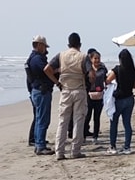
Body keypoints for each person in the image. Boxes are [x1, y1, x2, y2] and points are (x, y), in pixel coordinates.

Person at [45, 32, 90, 160]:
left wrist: (57, 82)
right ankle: (75, 151)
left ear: (68, 44)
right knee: (78, 121)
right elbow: (91, 74)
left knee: (63, 121)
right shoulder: (83, 56)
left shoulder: (61, 55)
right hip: (79, 89)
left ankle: (59, 152)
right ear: (79, 44)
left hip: (65, 90)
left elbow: (47, 69)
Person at [105, 48, 135, 155]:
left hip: (118, 99)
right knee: (127, 123)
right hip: (129, 98)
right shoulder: (134, 71)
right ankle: (127, 147)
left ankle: (112, 146)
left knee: (114, 122)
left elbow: (107, 81)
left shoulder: (117, 69)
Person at [27, 35, 55, 155]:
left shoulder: (33, 58)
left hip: (37, 90)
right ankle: (40, 145)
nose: (45, 49)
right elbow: (47, 70)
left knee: (39, 118)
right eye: (44, 46)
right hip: (41, 91)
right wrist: (56, 80)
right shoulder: (37, 59)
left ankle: (39, 142)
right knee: (43, 119)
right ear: (39, 45)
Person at [73, 49, 107, 143]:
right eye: (95, 58)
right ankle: (83, 136)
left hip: (100, 95)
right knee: (87, 116)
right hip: (89, 95)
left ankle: (95, 137)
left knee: (97, 117)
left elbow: (106, 79)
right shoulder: (88, 70)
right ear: (91, 59)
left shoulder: (103, 68)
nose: (97, 60)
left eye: (98, 58)